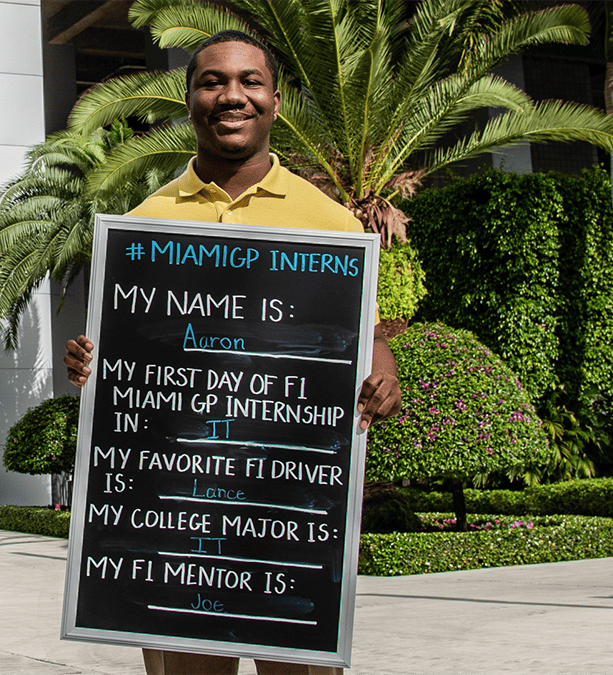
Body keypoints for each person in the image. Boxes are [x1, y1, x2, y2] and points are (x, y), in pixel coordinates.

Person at [63, 30, 402, 675]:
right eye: (213, 81)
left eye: (249, 81)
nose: (232, 95)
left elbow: (364, 332)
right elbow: (130, 354)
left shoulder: (329, 223)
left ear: (275, 100)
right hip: (173, 519)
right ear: (189, 99)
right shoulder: (146, 221)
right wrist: (93, 363)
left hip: (287, 512)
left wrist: (381, 364)